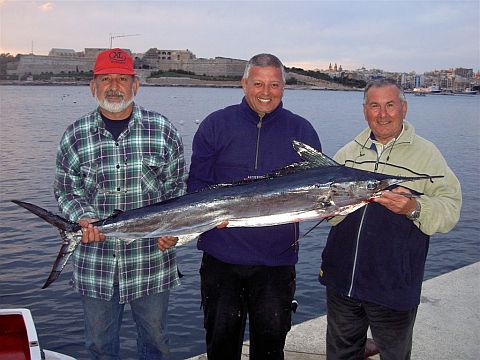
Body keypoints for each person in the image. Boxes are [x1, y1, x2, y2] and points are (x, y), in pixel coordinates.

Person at [54, 48, 187, 360]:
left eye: (122, 79)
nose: (113, 86)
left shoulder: (163, 130)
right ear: (93, 87)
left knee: (155, 342)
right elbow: (65, 188)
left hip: (151, 260)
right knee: (99, 347)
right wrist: (83, 218)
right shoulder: (75, 135)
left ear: (135, 85)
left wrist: (174, 231)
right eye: (105, 79)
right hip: (96, 261)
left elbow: (177, 187)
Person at [187, 53, 321, 360]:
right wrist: (206, 217)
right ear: (244, 83)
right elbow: (197, 185)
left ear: (284, 87)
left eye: (274, 84)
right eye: (258, 83)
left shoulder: (302, 131)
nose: (266, 91)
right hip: (221, 257)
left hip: (276, 262)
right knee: (221, 346)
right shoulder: (215, 124)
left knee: (271, 348)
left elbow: (317, 188)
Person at [319, 78, 462, 360]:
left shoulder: (427, 155)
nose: (383, 114)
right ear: (365, 110)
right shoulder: (348, 153)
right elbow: (329, 215)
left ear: (404, 108)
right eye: (375, 105)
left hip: (394, 285)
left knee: (394, 355)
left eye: (390, 105)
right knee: (341, 354)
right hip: (342, 282)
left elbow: (451, 208)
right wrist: (328, 211)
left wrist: (413, 207)